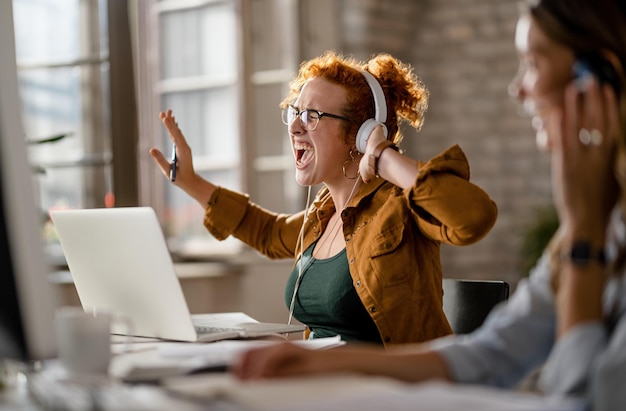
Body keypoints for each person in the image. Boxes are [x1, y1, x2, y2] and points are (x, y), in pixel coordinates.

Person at [232, 0, 626, 411]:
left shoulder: (587, 228)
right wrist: (322, 361)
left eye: (532, 63)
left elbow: (592, 400)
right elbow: (486, 357)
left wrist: (584, 236)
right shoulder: (595, 226)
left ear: (597, 79)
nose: (518, 89)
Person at [150, 51, 497, 347]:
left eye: (312, 116)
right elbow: (268, 233)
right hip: (322, 389)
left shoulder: (399, 205)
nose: (295, 127)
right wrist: (191, 182)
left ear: (357, 136)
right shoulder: (322, 216)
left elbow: (474, 217)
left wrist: (382, 153)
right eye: (295, 112)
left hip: (392, 396)